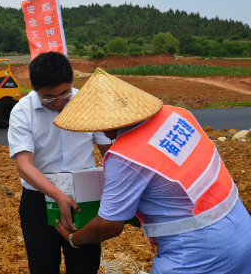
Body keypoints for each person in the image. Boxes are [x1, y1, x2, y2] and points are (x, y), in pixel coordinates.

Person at [53, 68, 251, 274]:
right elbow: (169, 178)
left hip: (196, 253)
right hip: (242, 230)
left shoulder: (123, 156)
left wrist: (73, 239)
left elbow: (109, 225)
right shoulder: (177, 114)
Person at [7, 52, 111, 274]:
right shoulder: (22, 111)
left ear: (71, 83)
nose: (58, 102)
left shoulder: (88, 103)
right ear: (34, 89)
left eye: (64, 93)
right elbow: (24, 165)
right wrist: (57, 195)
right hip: (39, 200)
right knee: (42, 265)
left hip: (85, 197)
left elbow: (108, 152)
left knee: (84, 265)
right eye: (49, 97)